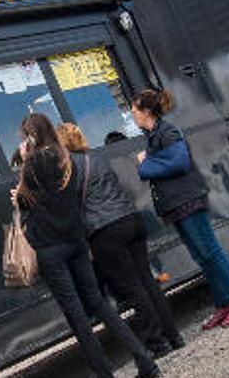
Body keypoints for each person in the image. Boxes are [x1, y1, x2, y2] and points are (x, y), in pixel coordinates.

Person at [12, 114, 160, 378]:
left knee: (77, 315)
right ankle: (145, 361)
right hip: (76, 242)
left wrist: (24, 162)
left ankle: (105, 373)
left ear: (29, 136)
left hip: (50, 249)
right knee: (100, 304)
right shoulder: (66, 159)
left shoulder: (33, 164)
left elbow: (24, 201)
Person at [56, 123, 185, 358]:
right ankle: (173, 335)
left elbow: (68, 205)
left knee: (131, 287)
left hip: (106, 230)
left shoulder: (68, 168)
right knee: (146, 280)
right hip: (131, 219)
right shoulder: (97, 157)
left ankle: (157, 343)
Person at [131, 88, 229, 330]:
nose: (131, 114)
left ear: (145, 111)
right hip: (177, 205)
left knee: (210, 251)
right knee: (201, 256)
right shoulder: (154, 135)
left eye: (133, 110)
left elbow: (180, 162)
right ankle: (223, 304)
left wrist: (146, 164)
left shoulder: (167, 131)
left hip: (189, 201)